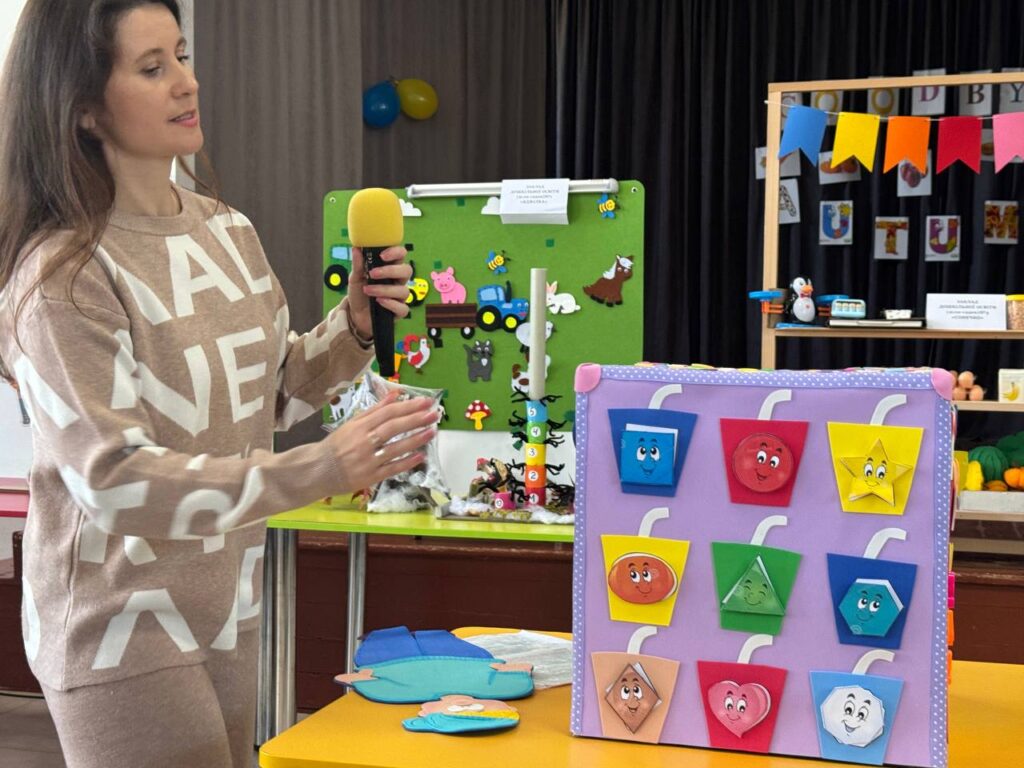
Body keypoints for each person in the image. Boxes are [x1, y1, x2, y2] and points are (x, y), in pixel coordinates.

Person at [0, 2, 437, 766]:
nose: (186, 82)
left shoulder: (228, 231)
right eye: (151, 68)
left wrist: (356, 324)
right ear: (84, 109)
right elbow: (114, 480)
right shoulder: (63, 276)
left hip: (229, 604)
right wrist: (323, 468)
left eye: (181, 55)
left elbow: (272, 395)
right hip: (118, 629)